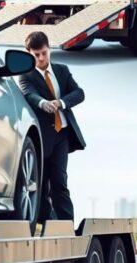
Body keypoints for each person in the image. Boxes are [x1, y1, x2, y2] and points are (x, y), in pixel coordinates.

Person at [16, 31, 86, 222]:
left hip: (61, 134)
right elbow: (29, 94)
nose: (41, 58)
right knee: (41, 184)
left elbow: (79, 93)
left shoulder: (62, 70)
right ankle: (48, 227)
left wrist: (61, 103)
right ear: (29, 53)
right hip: (41, 138)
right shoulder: (26, 75)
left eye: (44, 53)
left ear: (49, 49)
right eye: (36, 55)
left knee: (60, 182)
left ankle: (67, 227)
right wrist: (43, 103)